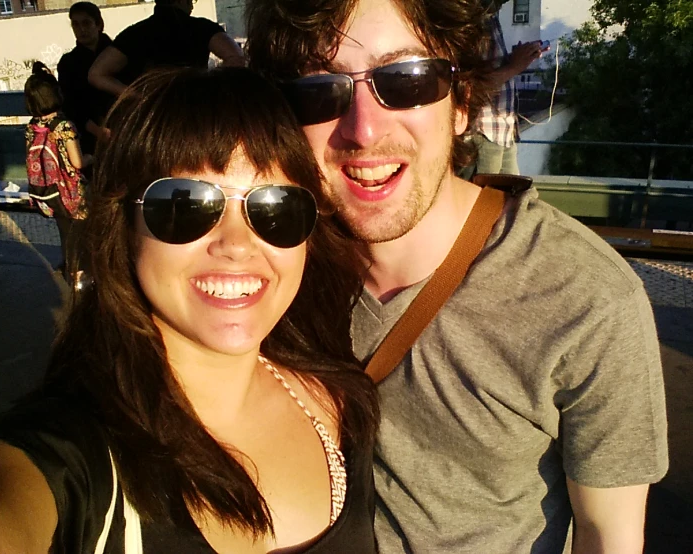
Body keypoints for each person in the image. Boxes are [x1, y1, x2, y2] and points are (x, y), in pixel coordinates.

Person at [246, 0, 668, 552]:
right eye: (319, 89)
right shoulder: (273, 263)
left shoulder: (585, 296)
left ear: (463, 101)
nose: (363, 129)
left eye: (405, 79)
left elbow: (608, 532)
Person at [0, 67, 380, 553]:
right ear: (125, 225)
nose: (238, 245)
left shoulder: (342, 405)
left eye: (277, 205)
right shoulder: (75, 455)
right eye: (186, 203)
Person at [88, 0, 245, 98]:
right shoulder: (201, 28)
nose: (191, 5)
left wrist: (136, 95)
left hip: (154, 115)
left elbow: (96, 74)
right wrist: (206, 87)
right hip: (193, 109)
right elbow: (236, 58)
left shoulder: (136, 33)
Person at [24, 61, 88, 285]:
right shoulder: (63, 125)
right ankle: (82, 276)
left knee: (66, 232)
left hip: (48, 192)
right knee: (84, 232)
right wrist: (96, 157)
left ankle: (71, 270)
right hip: (72, 191)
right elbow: (78, 162)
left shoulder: (33, 125)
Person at [468, 0, 547, 176]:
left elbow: (493, 65)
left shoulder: (491, 19)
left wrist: (521, 57)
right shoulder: (472, 23)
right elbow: (474, 85)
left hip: (504, 130)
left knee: (512, 197)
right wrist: (516, 66)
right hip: (483, 131)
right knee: (485, 201)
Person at [57, 1, 115, 157]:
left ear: (99, 24)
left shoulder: (118, 54)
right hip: (90, 139)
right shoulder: (68, 63)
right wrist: (97, 131)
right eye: (75, 24)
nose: (81, 29)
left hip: (124, 129)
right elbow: (70, 105)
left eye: (86, 23)